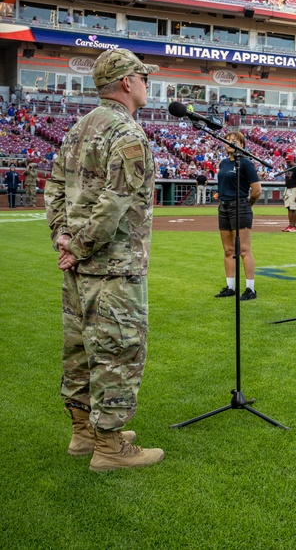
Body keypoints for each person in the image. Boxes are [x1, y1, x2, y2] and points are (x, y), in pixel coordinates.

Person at [45, 47, 163, 471]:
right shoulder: (128, 134)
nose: (147, 85)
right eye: (143, 78)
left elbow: (54, 187)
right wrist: (77, 246)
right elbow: (114, 205)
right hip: (113, 266)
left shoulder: (78, 128)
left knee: (78, 349)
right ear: (127, 83)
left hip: (77, 266)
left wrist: (63, 237)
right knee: (117, 352)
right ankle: (110, 448)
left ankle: (83, 433)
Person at [214, 129, 262, 301]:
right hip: (224, 207)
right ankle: (230, 287)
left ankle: (250, 289)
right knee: (228, 250)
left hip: (240, 205)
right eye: (228, 140)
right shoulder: (223, 163)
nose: (230, 142)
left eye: (234, 140)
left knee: (243, 250)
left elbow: (256, 191)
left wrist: (246, 205)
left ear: (242, 145)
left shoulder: (246, 163)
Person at [282, 157, 296, 232]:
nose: (287, 163)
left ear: (293, 161)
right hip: (288, 189)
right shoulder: (288, 169)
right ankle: (290, 225)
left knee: (293, 208)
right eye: (287, 162)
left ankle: (294, 226)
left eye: (289, 162)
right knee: (288, 207)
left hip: (294, 189)